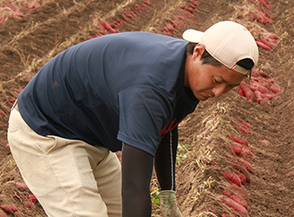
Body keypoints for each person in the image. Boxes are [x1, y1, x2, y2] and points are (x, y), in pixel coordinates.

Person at [7, 21, 259, 217]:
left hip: (89, 136)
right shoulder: (150, 88)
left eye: (229, 87)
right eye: (217, 81)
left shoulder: (186, 73)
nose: (217, 93)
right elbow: (134, 187)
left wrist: (168, 193)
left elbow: (166, 128)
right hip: (46, 133)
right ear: (198, 51)